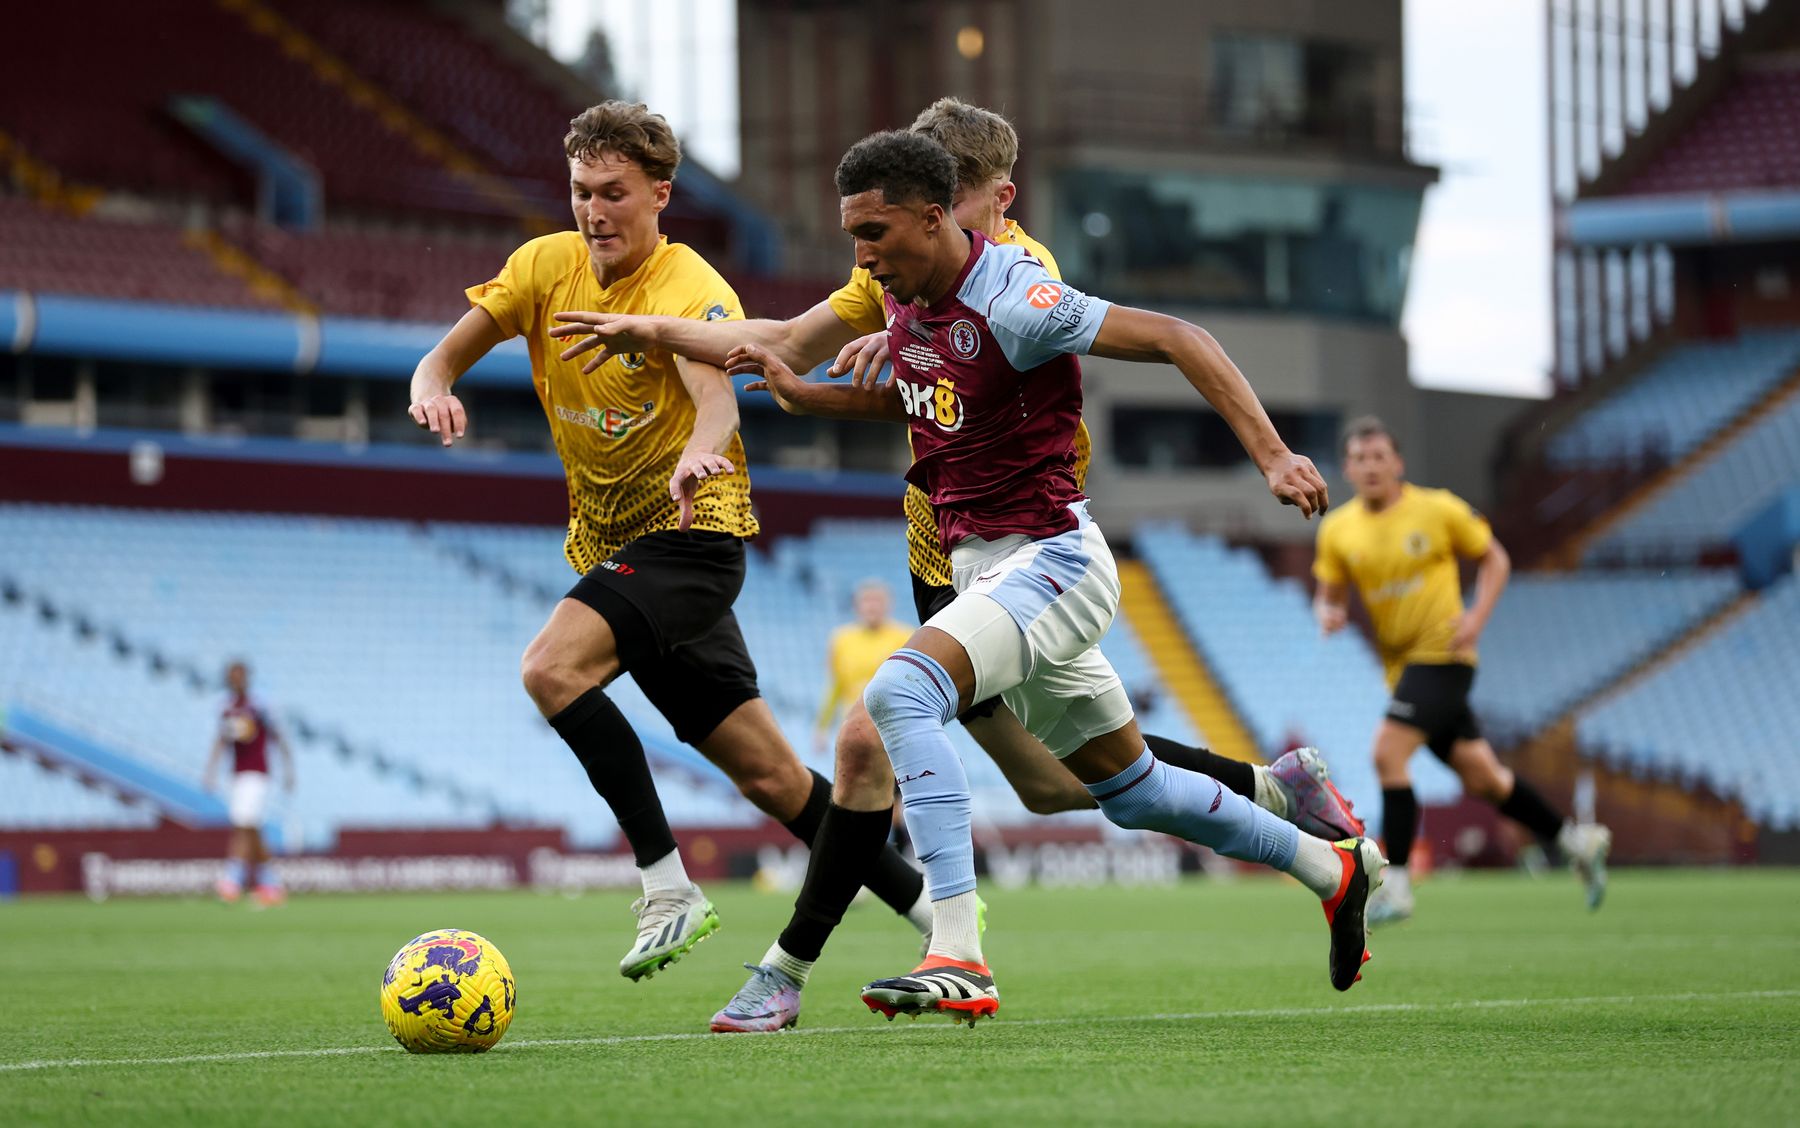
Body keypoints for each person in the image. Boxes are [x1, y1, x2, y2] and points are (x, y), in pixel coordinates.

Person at [552, 101, 1362, 1032]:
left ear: (947, 209)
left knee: (896, 702)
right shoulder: (903, 284)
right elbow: (892, 383)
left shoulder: (1016, 287)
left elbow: (1180, 337)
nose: (860, 256)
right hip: (974, 563)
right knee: (1114, 789)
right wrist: (793, 391)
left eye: (873, 233)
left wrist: (1272, 456)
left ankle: (951, 952)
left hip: (1051, 555)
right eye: (854, 235)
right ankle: (1322, 862)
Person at [408, 101, 931, 981]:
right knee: (770, 776)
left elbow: (717, 390)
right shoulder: (543, 267)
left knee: (550, 668)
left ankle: (665, 886)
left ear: (660, 194)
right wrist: (433, 387)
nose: (592, 211)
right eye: (580, 192)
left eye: (612, 192)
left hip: (693, 538)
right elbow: (443, 355)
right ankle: (932, 905)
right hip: (612, 547)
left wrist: (700, 448)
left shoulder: (690, 288)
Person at [1313, 417, 1612, 924]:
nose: (1370, 467)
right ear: (1346, 468)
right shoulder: (1338, 529)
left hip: (1445, 656)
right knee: (1486, 779)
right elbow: (1330, 592)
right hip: (1403, 669)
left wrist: (1475, 619)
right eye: (1360, 459)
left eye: (1379, 456)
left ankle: (1399, 887)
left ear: (1398, 462)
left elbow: (1495, 559)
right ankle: (1575, 840)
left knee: (1387, 754)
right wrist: (1329, 612)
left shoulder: (1438, 509)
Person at [202, 660, 292, 907]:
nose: (236, 680)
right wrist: (211, 770)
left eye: (240, 675)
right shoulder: (225, 707)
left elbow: (278, 736)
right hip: (237, 775)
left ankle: (232, 881)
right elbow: (221, 740)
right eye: (233, 675)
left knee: (244, 823)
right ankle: (270, 883)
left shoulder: (260, 705)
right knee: (250, 826)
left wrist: (288, 769)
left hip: (258, 773)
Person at [816, 580, 913, 756]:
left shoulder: (906, 637)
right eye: (867, 601)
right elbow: (835, 686)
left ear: (888, 605)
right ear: (856, 605)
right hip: (853, 728)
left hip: (894, 729)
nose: (872, 606)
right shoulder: (841, 639)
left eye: (877, 601)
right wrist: (822, 728)